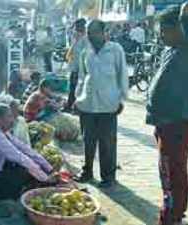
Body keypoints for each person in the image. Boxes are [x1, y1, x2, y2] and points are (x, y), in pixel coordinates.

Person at [146, 3, 188, 225]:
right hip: (166, 122)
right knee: (167, 171)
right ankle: (172, 213)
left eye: (165, 30)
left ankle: (172, 217)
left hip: (179, 122)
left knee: (173, 173)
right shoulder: (171, 50)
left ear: (181, 28)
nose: (161, 35)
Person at [75, 20, 128, 188]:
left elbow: (123, 75)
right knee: (88, 140)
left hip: (109, 104)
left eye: (95, 32)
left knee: (107, 142)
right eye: (89, 33)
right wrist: (77, 97)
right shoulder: (86, 51)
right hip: (88, 103)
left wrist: (121, 99)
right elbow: (82, 77)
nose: (91, 36)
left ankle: (108, 176)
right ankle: (87, 171)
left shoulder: (115, 50)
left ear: (104, 32)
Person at [0, 104, 53, 201]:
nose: (13, 120)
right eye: (9, 116)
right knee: (22, 171)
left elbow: (25, 149)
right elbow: (19, 157)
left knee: (23, 166)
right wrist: (45, 178)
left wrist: (49, 168)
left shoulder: (0, 132)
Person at [65, 18, 88, 111]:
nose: (75, 29)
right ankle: (70, 105)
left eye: (76, 27)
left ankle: (77, 107)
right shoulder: (75, 38)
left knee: (79, 88)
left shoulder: (85, 39)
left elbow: (83, 54)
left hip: (81, 68)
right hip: (74, 66)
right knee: (72, 87)